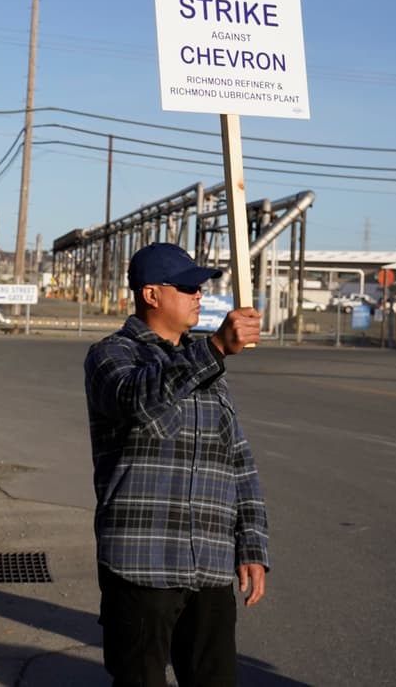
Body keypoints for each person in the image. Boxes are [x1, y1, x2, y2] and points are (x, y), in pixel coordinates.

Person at [83, 242, 270, 687]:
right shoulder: (112, 356)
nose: (198, 295)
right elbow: (139, 402)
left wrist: (252, 545)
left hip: (207, 566)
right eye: (187, 286)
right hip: (142, 563)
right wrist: (215, 349)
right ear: (151, 295)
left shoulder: (207, 369)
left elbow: (238, 460)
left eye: (200, 287)